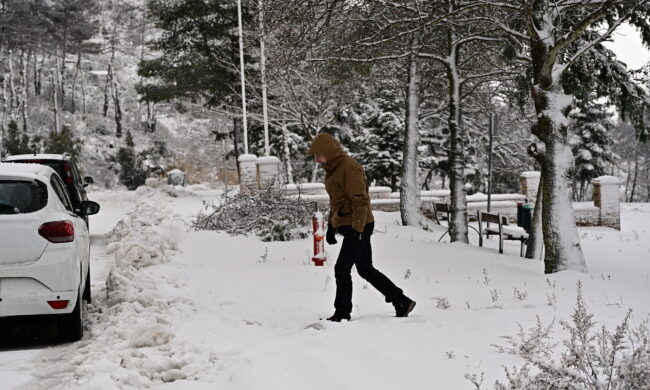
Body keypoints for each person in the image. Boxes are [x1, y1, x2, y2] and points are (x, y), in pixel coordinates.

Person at [308, 133, 416, 322]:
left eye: (318, 154)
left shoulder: (348, 167)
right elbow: (337, 200)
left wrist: (357, 230)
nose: (316, 159)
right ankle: (401, 301)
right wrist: (332, 225)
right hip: (351, 224)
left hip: (359, 224)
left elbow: (360, 200)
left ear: (328, 151)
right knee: (365, 268)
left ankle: (342, 312)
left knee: (342, 268)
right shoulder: (332, 169)